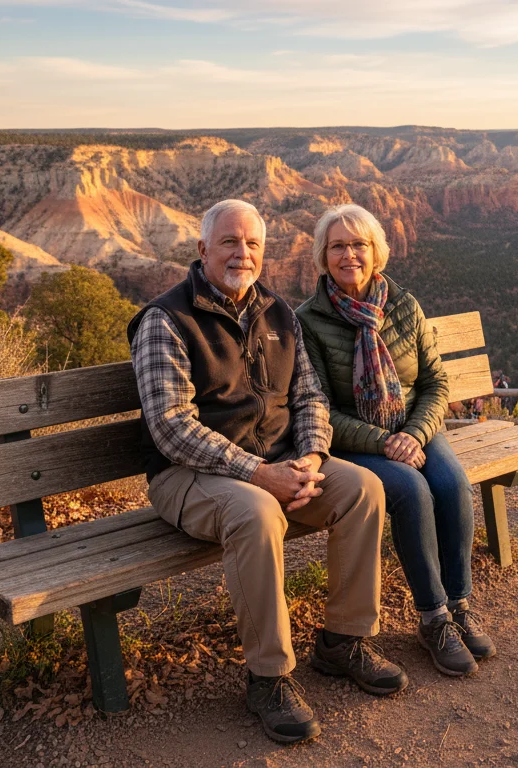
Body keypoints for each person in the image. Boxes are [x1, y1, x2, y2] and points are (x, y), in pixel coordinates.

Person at [129, 199, 407, 746]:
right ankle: (269, 678)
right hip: (188, 476)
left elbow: (310, 398)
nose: (242, 253)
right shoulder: (166, 319)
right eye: (229, 242)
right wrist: (260, 473)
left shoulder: (278, 313)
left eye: (252, 243)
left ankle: (342, 642)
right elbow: (171, 428)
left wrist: (312, 456)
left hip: (276, 466)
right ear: (203, 249)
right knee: (255, 513)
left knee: (363, 489)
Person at [296, 203, 494, 680]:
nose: (349, 255)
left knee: (450, 483)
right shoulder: (308, 320)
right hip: (357, 441)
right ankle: (433, 618)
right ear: (324, 256)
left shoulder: (403, 305)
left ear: (376, 252)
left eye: (358, 245)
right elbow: (319, 408)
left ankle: (460, 603)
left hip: (415, 429)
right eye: (337, 246)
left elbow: (435, 385)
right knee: (410, 490)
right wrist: (386, 443)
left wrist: (412, 433)